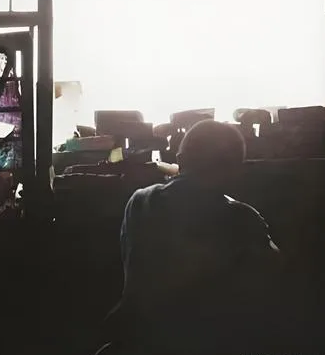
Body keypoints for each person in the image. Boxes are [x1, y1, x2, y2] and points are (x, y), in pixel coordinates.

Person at [101, 120, 280, 355]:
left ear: (180, 159)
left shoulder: (140, 201)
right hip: (207, 342)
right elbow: (275, 273)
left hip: (139, 337)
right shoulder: (241, 217)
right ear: (237, 170)